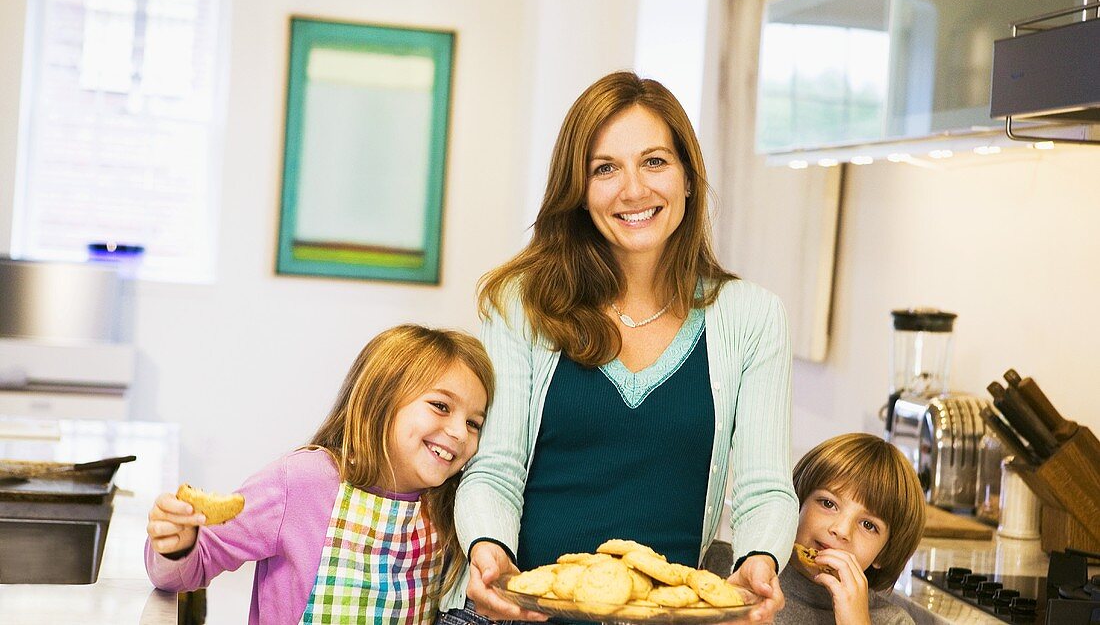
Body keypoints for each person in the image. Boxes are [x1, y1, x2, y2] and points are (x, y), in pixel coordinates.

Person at [438, 71, 797, 625]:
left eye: (655, 161)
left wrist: (759, 558)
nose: (633, 190)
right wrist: (489, 552)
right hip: (519, 614)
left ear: (687, 179)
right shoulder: (521, 303)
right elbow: (495, 470)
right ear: (578, 192)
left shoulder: (753, 318)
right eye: (605, 168)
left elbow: (764, 488)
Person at [145, 324, 495, 625]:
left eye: (474, 423)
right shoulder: (301, 482)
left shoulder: (449, 508)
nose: (460, 433)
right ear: (380, 399)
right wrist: (176, 546)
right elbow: (186, 572)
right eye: (441, 406)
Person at [777, 433, 926, 625]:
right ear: (797, 504)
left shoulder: (893, 622)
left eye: (868, 525)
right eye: (828, 503)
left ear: (884, 553)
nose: (841, 530)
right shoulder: (735, 575)